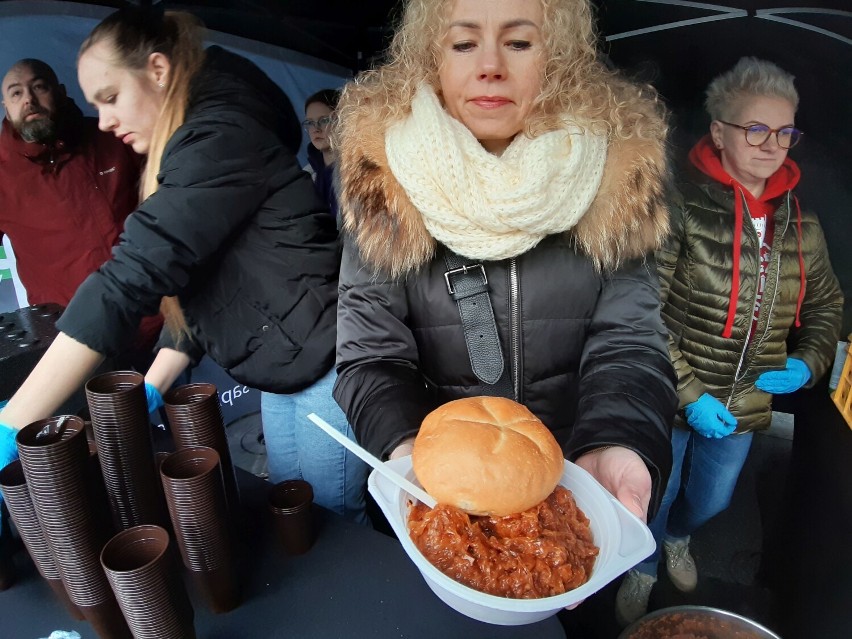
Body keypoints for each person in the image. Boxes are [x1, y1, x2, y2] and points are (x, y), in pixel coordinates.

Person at [0, 7, 369, 525]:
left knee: (333, 526)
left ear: (157, 70)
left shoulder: (218, 137)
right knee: (300, 513)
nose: (103, 121)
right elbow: (204, 284)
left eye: (110, 98)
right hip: (286, 366)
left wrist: (12, 426)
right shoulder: (187, 145)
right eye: (94, 106)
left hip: (329, 365)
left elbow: (131, 276)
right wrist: (152, 386)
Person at [333, 0, 678, 531]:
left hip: (574, 486)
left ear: (557, 57)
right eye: (464, 43)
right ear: (432, 59)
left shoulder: (617, 183)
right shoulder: (384, 185)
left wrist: (619, 440)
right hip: (435, 496)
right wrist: (406, 453)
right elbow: (371, 358)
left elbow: (629, 344)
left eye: (519, 43)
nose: (490, 65)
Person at [615, 57, 843, 626]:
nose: (773, 145)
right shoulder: (675, 208)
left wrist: (808, 362)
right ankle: (642, 563)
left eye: (785, 131)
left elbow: (826, 305)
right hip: (669, 394)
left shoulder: (802, 223)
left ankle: (679, 540)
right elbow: (641, 309)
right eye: (756, 129)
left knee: (711, 499)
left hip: (743, 403)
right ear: (719, 131)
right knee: (654, 493)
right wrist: (689, 393)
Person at [0, 59, 161, 367]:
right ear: (6, 106)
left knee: (182, 412)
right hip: (73, 341)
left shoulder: (112, 138)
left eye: (38, 86)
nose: (29, 99)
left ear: (59, 92)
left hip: (151, 321)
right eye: (16, 93)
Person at [302, 88, 341, 222]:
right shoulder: (305, 176)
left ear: (342, 121)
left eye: (324, 120)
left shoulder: (359, 173)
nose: (316, 129)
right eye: (310, 122)